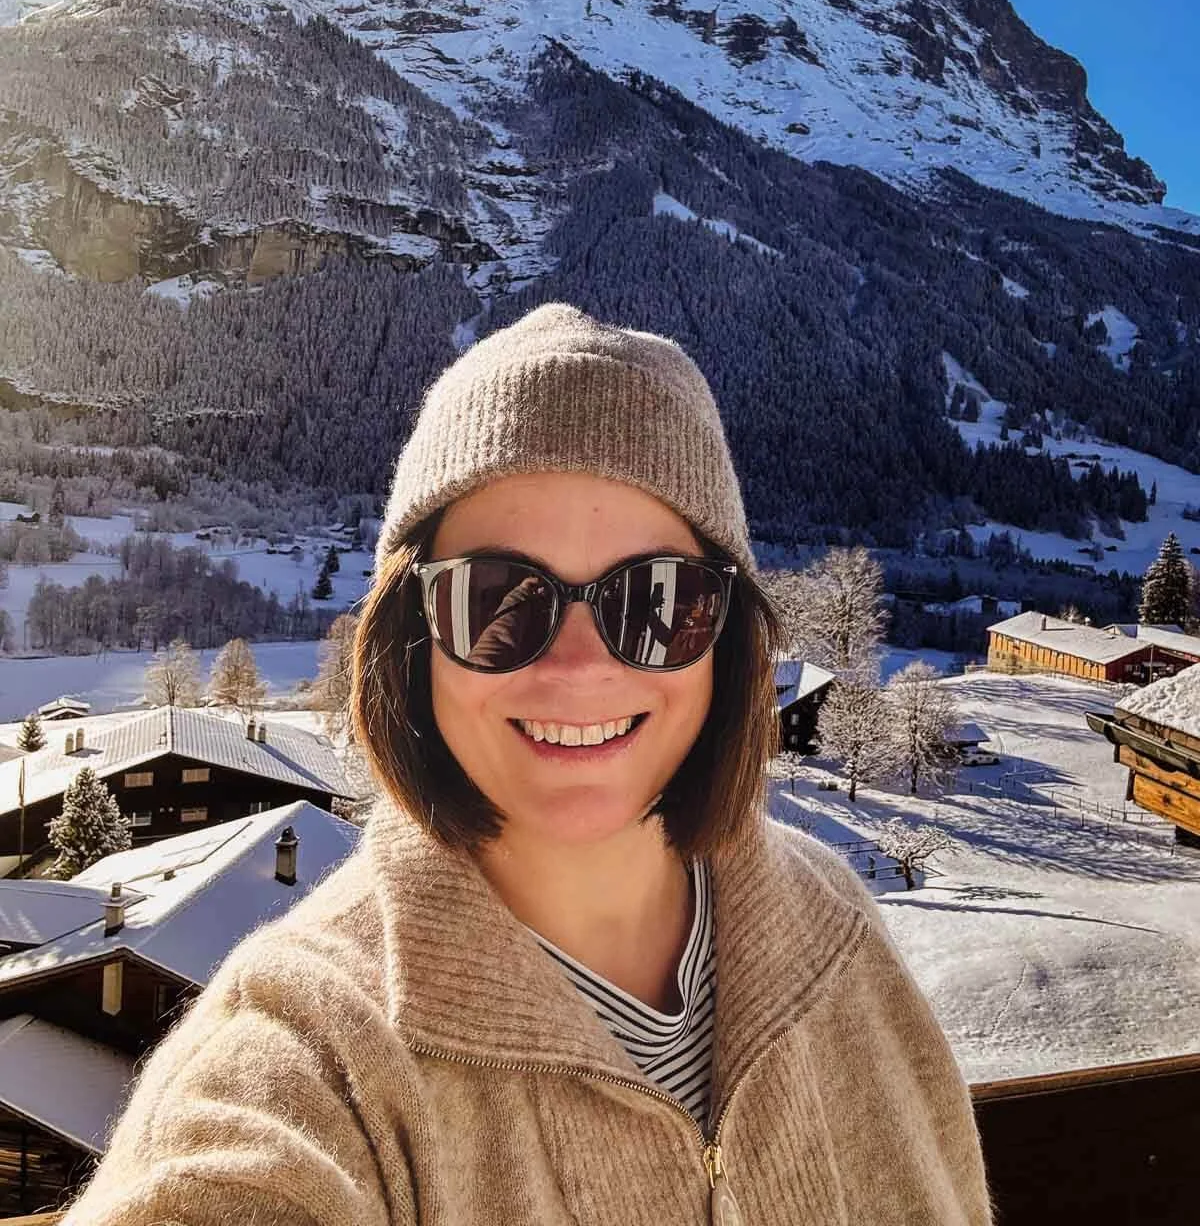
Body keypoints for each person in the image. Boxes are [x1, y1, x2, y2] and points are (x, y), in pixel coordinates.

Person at [62, 303, 993, 1225]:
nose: (582, 668)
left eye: (657, 601)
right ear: (410, 642)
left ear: (728, 639)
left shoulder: (834, 939)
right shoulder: (311, 1056)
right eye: (498, 599)